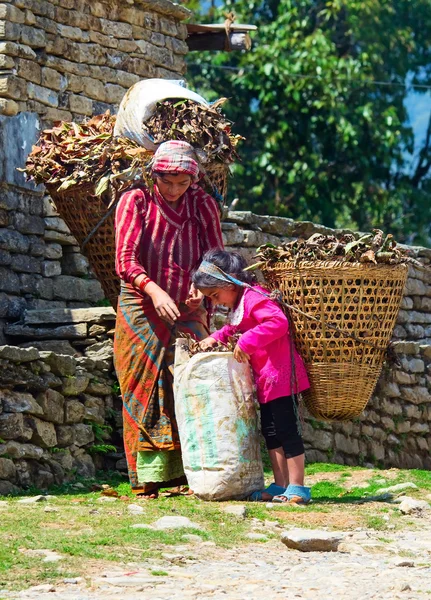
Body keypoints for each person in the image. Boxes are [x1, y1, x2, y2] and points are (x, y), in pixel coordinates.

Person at [114, 140, 223, 499]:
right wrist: (155, 291)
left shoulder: (202, 205)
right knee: (142, 386)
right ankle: (147, 478)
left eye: (182, 183)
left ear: (193, 180)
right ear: (153, 175)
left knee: (194, 382)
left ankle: (193, 472)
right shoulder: (136, 202)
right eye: (168, 182)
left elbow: (214, 256)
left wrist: (202, 288)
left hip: (189, 306)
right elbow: (126, 260)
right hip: (141, 304)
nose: (175, 190)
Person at [192, 249, 312, 504]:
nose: (215, 302)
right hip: (266, 380)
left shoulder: (256, 297)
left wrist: (246, 342)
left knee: (286, 430)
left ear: (230, 282)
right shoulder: (240, 304)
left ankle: (298, 487)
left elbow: (278, 323)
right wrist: (215, 337)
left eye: (215, 295)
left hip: (281, 375)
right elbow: (234, 328)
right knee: (270, 431)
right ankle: (280, 485)